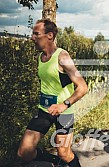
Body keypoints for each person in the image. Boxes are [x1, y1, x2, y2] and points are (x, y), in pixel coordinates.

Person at [17, 19, 88, 167]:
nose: (32, 38)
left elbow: (82, 87)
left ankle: (65, 161)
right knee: (24, 152)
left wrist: (64, 105)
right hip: (44, 110)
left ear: (49, 35)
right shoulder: (40, 57)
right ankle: (56, 161)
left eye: (36, 34)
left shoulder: (62, 57)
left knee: (64, 153)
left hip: (64, 112)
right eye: (32, 34)